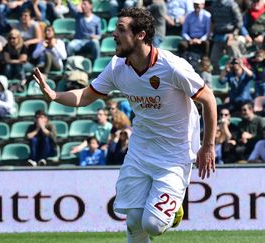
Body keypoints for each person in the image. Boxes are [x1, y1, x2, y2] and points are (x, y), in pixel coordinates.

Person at [33, 7, 217, 241]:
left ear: (140, 34)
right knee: (133, 220)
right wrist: (54, 95)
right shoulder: (117, 67)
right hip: (140, 150)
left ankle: (173, 209)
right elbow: (86, 96)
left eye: (121, 29)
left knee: (152, 224)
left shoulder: (172, 67)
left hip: (174, 154)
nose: (114, 35)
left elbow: (208, 99)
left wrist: (207, 145)